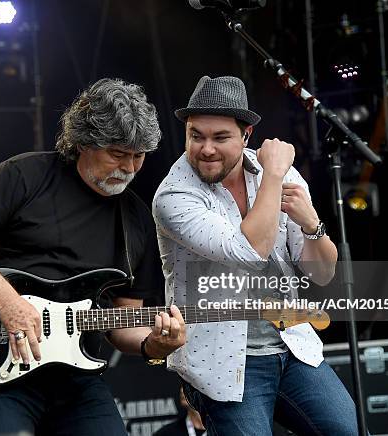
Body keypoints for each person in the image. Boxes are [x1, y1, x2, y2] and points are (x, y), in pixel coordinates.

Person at [0, 78, 186, 436]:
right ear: (83, 142)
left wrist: (153, 345)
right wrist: (8, 303)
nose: (129, 167)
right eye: (117, 153)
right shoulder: (26, 175)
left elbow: (122, 321)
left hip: (76, 380)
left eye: (138, 156)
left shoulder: (137, 220)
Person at [152, 76, 358, 435]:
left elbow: (323, 274)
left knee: (346, 430)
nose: (205, 149)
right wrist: (274, 175)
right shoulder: (173, 196)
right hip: (223, 363)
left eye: (220, 137)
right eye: (195, 135)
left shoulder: (278, 173)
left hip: (293, 344)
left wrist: (312, 224)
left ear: (246, 135)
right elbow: (248, 251)